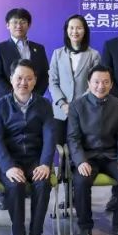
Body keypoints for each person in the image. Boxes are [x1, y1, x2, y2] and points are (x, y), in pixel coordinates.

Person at [0, 59, 56, 235]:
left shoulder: (44, 104)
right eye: (19, 78)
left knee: (42, 183)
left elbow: (50, 136)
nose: (23, 83)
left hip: (35, 159)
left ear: (35, 81)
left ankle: (36, 234)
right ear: (11, 79)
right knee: (15, 185)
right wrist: (8, 166)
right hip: (10, 160)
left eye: (28, 78)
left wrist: (45, 164)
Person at [66, 65, 118, 235]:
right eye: (96, 82)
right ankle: (84, 228)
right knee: (81, 181)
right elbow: (73, 138)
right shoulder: (77, 106)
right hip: (88, 157)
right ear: (89, 83)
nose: (100, 86)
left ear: (111, 84)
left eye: (105, 82)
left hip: (111, 156)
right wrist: (80, 161)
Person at [49, 14, 102, 146]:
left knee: (81, 148)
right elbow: (53, 82)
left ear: (85, 31)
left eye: (79, 28)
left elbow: (95, 84)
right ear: (66, 31)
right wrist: (63, 104)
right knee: (59, 148)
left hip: (85, 110)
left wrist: (77, 105)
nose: (75, 31)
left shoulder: (94, 55)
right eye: (71, 28)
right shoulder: (57, 54)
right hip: (61, 112)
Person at [0, 7, 50, 100]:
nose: (19, 26)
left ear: (29, 25)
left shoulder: (39, 48)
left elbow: (45, 75)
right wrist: (15, 96)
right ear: (7, 25)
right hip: (7, 100)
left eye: (23, 22)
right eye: (15, 22)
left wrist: (34, 96)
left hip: (34, 101)